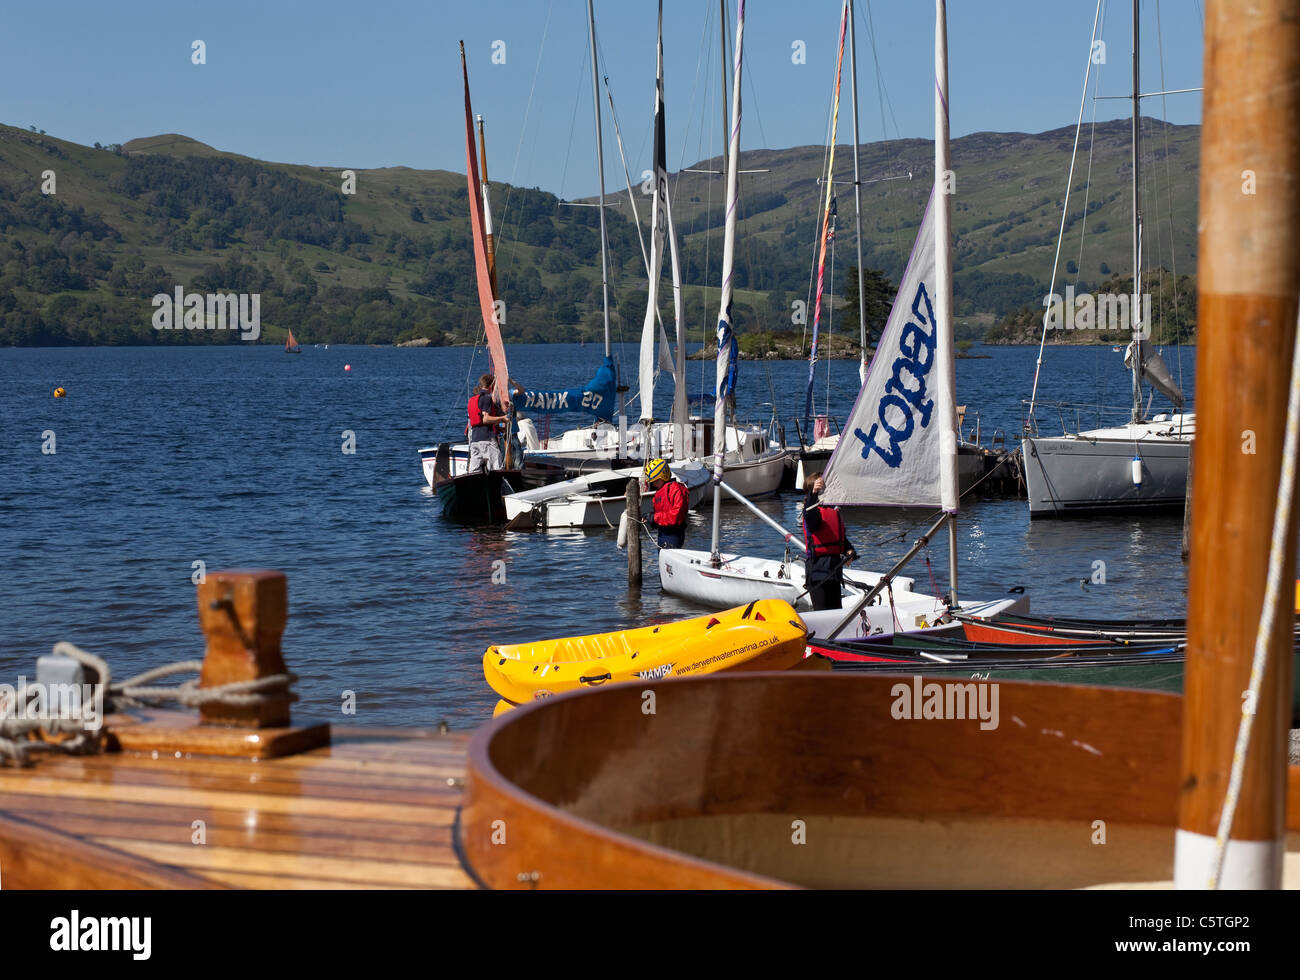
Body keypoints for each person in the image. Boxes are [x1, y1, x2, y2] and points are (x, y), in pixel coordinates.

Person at [801, 471, 858, 610]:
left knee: (836, 612)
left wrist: (850, 550)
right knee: (823, 613)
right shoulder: (811, 513)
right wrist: (813, 493)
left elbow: (841, 540)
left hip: (834, 571)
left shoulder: (833, 512)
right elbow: (810, 514)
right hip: (818, 573)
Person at [466, 373, 508, 473]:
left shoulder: (474, 399)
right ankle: (498, 487)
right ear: (491, 385)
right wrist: (503, 418)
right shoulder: (486, 398)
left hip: (475, 441)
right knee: (496, 469)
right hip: (487, 440)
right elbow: (485, 419)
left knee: (474, 472)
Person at [645, 457, 689, 548]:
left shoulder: (676, 489)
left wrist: (654, 518)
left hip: (673, 535)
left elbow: (676, 516)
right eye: (652, 482)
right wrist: (650, 519)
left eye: (656, 481)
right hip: (662, 534)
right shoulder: (658, 493)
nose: (654, 484)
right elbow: (661, 517)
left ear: (664, 477)